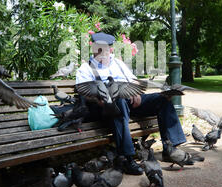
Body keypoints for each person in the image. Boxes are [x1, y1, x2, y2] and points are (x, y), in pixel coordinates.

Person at [76, 32, 188, 175]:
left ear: (110, 49)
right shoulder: (86, 69)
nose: (103, 52)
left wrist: (136, 92)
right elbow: (85, 93)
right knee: (119, 103)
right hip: (105, 107)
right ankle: (127, 158)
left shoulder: (117, 63)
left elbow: (134, 80)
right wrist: (103, 98)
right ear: (93, 48)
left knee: (162, 100)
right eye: (99, 48)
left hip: (129, 102)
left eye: (106, 48)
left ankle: (170, 149)